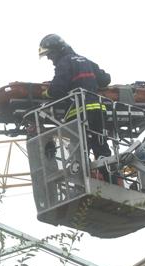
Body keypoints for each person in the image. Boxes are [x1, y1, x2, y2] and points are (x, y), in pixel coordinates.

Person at [39, 34, 115, 183]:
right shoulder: (86, 60)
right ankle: (111, 179)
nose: (49, 58)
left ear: (58, 50)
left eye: (50, 54)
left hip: (79, 113)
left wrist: (46, 92)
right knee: (101, 147)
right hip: (98, 111)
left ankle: (84, 181)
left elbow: (57, 89)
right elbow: (105, 79)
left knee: (79, 150)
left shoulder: (64, 62)